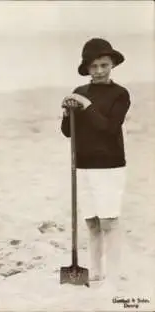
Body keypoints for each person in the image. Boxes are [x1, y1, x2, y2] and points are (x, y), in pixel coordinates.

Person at [60, 38, 131, 284]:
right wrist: (67, 111)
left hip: (110, 166)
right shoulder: (79, 92)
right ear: (87, 68)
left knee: (108, 220)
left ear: (112, 65)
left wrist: (86, 106)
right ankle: (96, 272)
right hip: (82, 165)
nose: (99, 71)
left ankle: (113, 273)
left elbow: (109, 128)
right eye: (94, 66)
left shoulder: (120, 94)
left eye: (104, 65)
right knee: (91, 222)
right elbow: (68, 132)